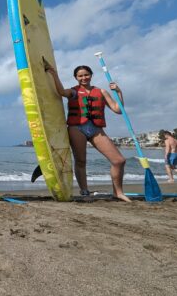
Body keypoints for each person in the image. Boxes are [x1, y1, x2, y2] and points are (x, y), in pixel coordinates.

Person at [45, 62, 131, 202]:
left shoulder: (101, 92)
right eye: (80, 76)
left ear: (91, 75)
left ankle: (118, 192)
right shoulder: (73, 92)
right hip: (77, 128)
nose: (84, 78)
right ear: (76, 77)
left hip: (96, 129)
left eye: (86, 75)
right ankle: (84, 191)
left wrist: (119, 92)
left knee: (119, 160)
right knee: (81, 160)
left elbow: (118, 109)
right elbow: (61, 92)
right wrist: (53, 74)